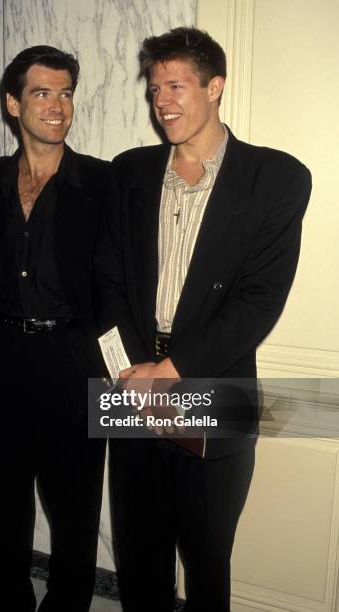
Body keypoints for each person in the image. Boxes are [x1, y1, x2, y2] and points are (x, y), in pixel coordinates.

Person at [109, 27, 312, 612]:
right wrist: (131, 373)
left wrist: (170, 370)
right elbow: (108, 281)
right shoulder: (128, 172)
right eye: (154, 89)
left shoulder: (277, 178)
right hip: (132, 382)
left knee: (206, 561)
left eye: (176, 85)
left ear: (215, 86)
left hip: (214, 383)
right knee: (138, 556)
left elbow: (260, 302)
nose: (162, 101)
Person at [0, 45, 112, 612]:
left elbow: (118, 285)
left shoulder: (104, 183)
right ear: (12, 103)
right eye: (42, 92)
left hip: (72, 365)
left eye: (65, 92)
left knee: (74, 510)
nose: (56, 106)